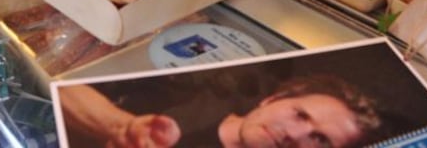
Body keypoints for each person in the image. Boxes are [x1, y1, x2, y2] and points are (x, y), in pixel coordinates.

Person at [60, 74, 381, 147]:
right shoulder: (190, 86)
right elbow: (61, 85)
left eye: (320, 140)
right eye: (300, 114)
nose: (295, 135)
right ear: (271, 99)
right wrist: (120, 127)